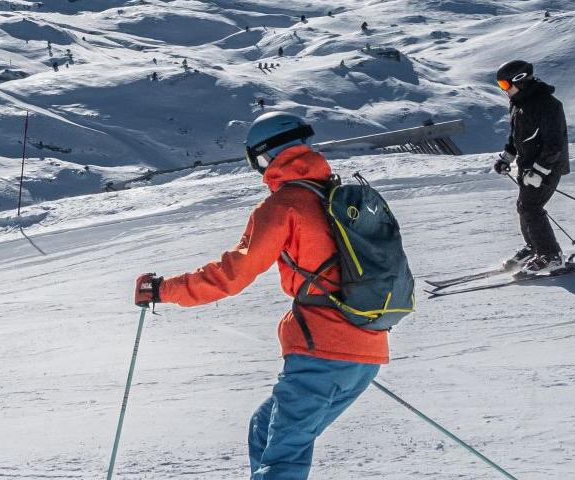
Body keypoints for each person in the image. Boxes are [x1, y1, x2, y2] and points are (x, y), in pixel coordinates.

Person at [133, 112, 387, 480]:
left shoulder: (285, 204)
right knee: (265, 427)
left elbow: (233, 274)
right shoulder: (337, 196)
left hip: (323, 352)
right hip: (367, 347)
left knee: (282, 459)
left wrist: (162, 290)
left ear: (265, 158)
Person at [493, 59, 573, 275]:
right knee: (524, 206)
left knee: (531, 207)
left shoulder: (548, 105)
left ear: (520, 80)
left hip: (549, 166)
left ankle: (551, 256)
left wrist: (539, 170)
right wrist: (506, 158)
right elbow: (516, 138)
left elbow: (554, 145)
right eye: (501, 85)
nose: (504, 89)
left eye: (505, 84)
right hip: (528, 167)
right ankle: (535, 247)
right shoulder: (518, 103)